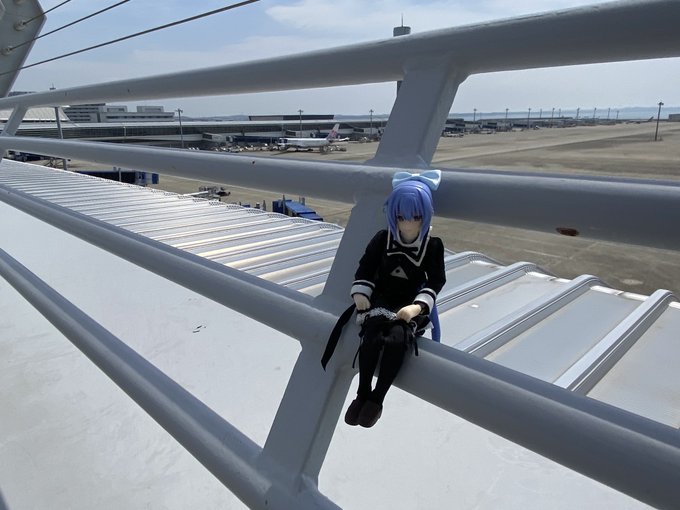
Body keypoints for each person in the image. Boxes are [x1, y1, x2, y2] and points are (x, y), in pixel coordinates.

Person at [344, 170, 446, 428]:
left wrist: (417, 307)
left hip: (410, 302)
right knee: (371, 336)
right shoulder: (382, 239)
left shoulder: (433, 246)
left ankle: (377, 398)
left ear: (425, 215)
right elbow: (365, 268)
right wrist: (361, 292)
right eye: (401, 217)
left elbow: (436, 281)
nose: (408, 224)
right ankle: (362, 393)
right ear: (393, 215)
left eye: (416, 217)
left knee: (398, 340)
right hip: (382, 298)